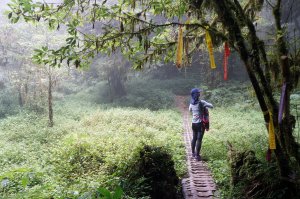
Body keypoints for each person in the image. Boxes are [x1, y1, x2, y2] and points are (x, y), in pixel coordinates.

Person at [189, 88, 213, 161]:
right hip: (200, 124)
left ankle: (193, 153)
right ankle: (197, 156)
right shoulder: (202, 102)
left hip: (193, 123)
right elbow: (211, 106)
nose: (199, 93)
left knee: (194, 138)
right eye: (198, 92)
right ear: (197, 94)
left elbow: (190, 110)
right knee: (199, 140)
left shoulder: (191, 103)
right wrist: (205, 106)